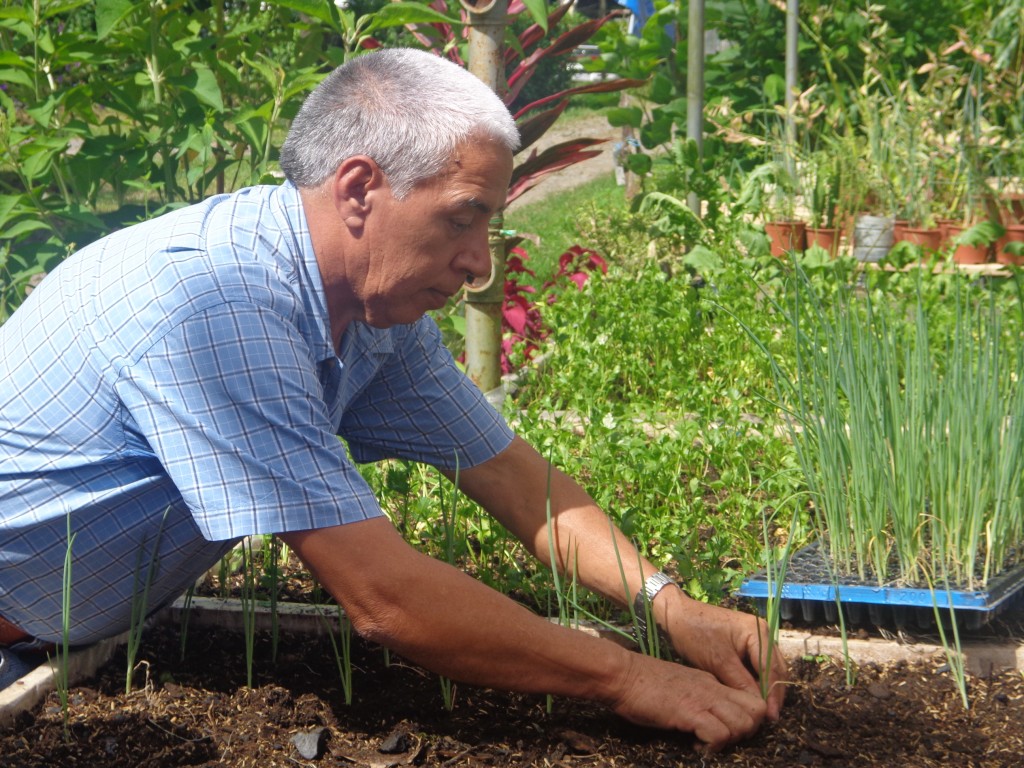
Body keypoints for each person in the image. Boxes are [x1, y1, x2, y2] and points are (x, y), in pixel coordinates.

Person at [0, 48, 786, 750]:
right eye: (462, 219)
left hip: (66, 642)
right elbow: (385, 598)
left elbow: (512, 478)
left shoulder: (371, 312)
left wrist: (672, 607)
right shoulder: (216, 305)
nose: (479, 263)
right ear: (359, 189)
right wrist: (630, 677)